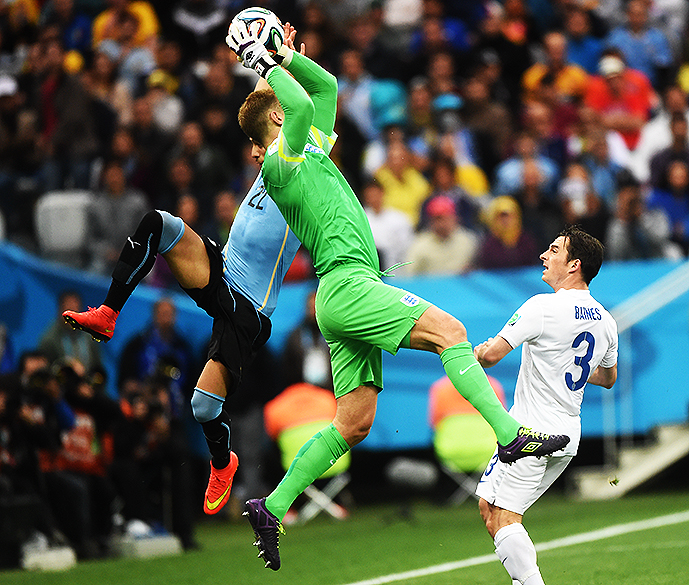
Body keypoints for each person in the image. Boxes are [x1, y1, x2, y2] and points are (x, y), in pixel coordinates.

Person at [226, 20, 569, 571]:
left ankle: (274, 504)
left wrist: (287, 56)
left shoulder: (306, 148)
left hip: (343, 292)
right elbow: (302, 102)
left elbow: (326, 91)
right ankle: (510, 436)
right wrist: (268, 58)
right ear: (273, 117)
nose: (286, 106)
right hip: (349, 282)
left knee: (353, 422)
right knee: (451, 333)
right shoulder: (279, 161)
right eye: (278, 104)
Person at [62, 73, 302, 520]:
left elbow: (310, 113)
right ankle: (109, 313)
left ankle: (221, 461)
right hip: (222, 267)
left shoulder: (300, 167)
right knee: (159, 222)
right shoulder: (269, 164)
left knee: (202, 405)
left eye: (257, 140)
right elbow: (276, 109)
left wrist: (290, 70)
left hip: (247, 308)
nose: (253, 150)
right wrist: (278, 71)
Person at [473, 225, 618, 585]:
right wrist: (565, 367)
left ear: (574, 265)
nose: (544, 255)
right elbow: (607, 377)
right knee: (489, 508)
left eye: (554, 250)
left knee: (506, 519)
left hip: (530, 433)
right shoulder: (607, 321)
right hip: (567, 433)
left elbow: (491, 357)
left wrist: (478, 351)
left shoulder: (542, 307)